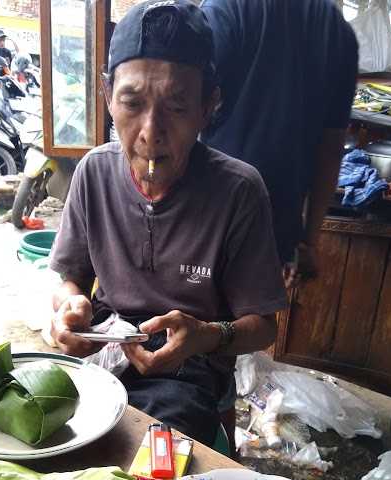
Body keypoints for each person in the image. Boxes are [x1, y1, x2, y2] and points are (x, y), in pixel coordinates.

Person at [49, 0, 287, 447]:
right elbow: (70, 278)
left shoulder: (238, 190)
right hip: (106, 346)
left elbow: (264, 325)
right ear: (106, 97)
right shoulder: (93, 173)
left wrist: (206, 336)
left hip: (191, 369)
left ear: (208, 106)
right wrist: (71, 307)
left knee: (143, 456)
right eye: (132, 103)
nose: (150, 132)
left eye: (177, 107)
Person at [200, 0, 358, 287]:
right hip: (275, 227)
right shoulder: (337, 31)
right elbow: (331, 149)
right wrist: (308, 241)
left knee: (181, 325)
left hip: (205, 218)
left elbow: (184, 108)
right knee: (250, 325)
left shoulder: (225, 9)